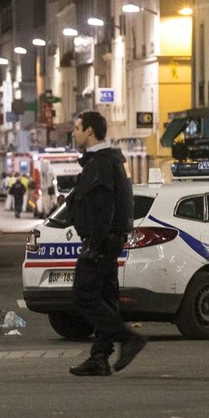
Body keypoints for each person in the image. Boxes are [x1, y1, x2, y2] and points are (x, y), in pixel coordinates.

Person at [66, 111, 145, 376]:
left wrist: (94, 247)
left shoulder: (100, 162)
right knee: (106, 299)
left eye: (77, 128)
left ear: (90, 131)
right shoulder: (108, 160)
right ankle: (99, 357)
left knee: (84, 295)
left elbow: (103, 207)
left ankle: (128, 337)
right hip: (109, 241)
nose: (74, 132)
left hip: (101, 243)